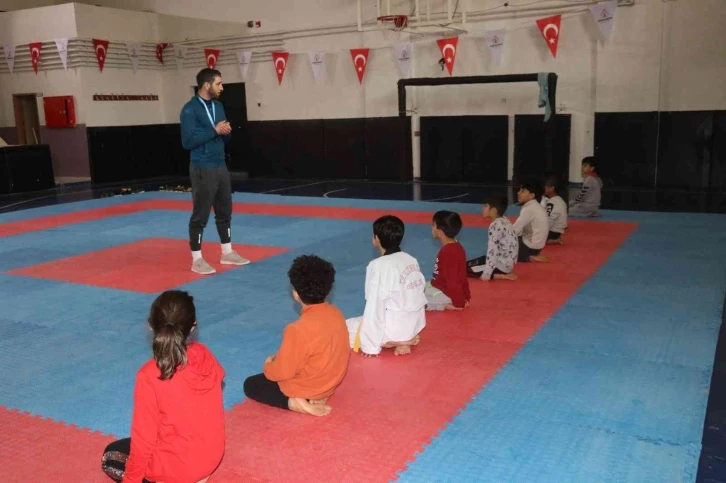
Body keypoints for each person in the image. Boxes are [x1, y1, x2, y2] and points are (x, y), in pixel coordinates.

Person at [101, 291, 225, 483]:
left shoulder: (149, 375)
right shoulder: (204, 354)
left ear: (151, 325)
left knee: (111, 456)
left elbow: (144, 440)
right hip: (211, 458)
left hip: (179, 469)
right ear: (193, 326)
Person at [243, 255, 350, 417]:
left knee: (251, 384)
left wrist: (269, 366)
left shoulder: (297, 329)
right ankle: (316, 396)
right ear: (328, 290)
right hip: (330, 383)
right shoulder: (337, 314)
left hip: (308, 387)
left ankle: (295, 403)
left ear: (295, 294)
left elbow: (282, 372)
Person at [181, 68, 249, 275]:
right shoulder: (190, 110)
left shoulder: (218, 106)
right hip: (202, 166)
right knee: (200, 215)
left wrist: (225, 132)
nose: (222, 87)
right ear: (206, 85)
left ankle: (227, 252)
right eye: (218, 83)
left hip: (220, 164)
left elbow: (223, 136)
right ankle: (197, 259)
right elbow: (187, 141)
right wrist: (214, 130)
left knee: (225, 210)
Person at [346, 216, 427, 357]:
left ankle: (394, 341)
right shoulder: (411, 259)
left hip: (392, 329)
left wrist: (370, 347)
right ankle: (404, 339)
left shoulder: (378, 266)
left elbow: (374, 306)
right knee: (360, 321)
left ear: (376, 238)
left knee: (342, 329)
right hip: (414, 324)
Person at [466, 196, 519, 281]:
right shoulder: (505, 220)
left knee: (464, 270)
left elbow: (493, 251)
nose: (482, 208)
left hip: (501, 266)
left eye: (485, 206)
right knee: (465, 265)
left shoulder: (495, 226)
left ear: (493, 211)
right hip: (506, 263)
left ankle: (499, 275)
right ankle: (500, 273)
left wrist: (487, 274)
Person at [427, 211, 471, 311]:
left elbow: (453, 281)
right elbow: (462, 276)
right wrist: (466, 296)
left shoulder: (448, 252)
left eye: (433, 225)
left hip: (444, 293)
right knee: (416, 288)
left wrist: (459, 303)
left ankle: (442, 306)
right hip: (441, 287)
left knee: (413, 299)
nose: (431, 227)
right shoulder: (457, 247)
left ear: (440, 232)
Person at [513, 181, 549, 263]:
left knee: (502, 246)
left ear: (531, 196)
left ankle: (527, 257)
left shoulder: (529, 209)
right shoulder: (534, 205)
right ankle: (530, 255)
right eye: (519, 190)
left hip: (530, 247)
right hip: (537, 247)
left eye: (522, 191)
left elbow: (514, 230)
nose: (518, 193)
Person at [541, 175, 568, 244]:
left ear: (552, 188)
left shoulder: (553, 202)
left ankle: (552, 240)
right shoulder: (557, 200)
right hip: (555, 231)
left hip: (552, 231)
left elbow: (548, 221)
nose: (544, 189)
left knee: (527, 237)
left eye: (546, 187)